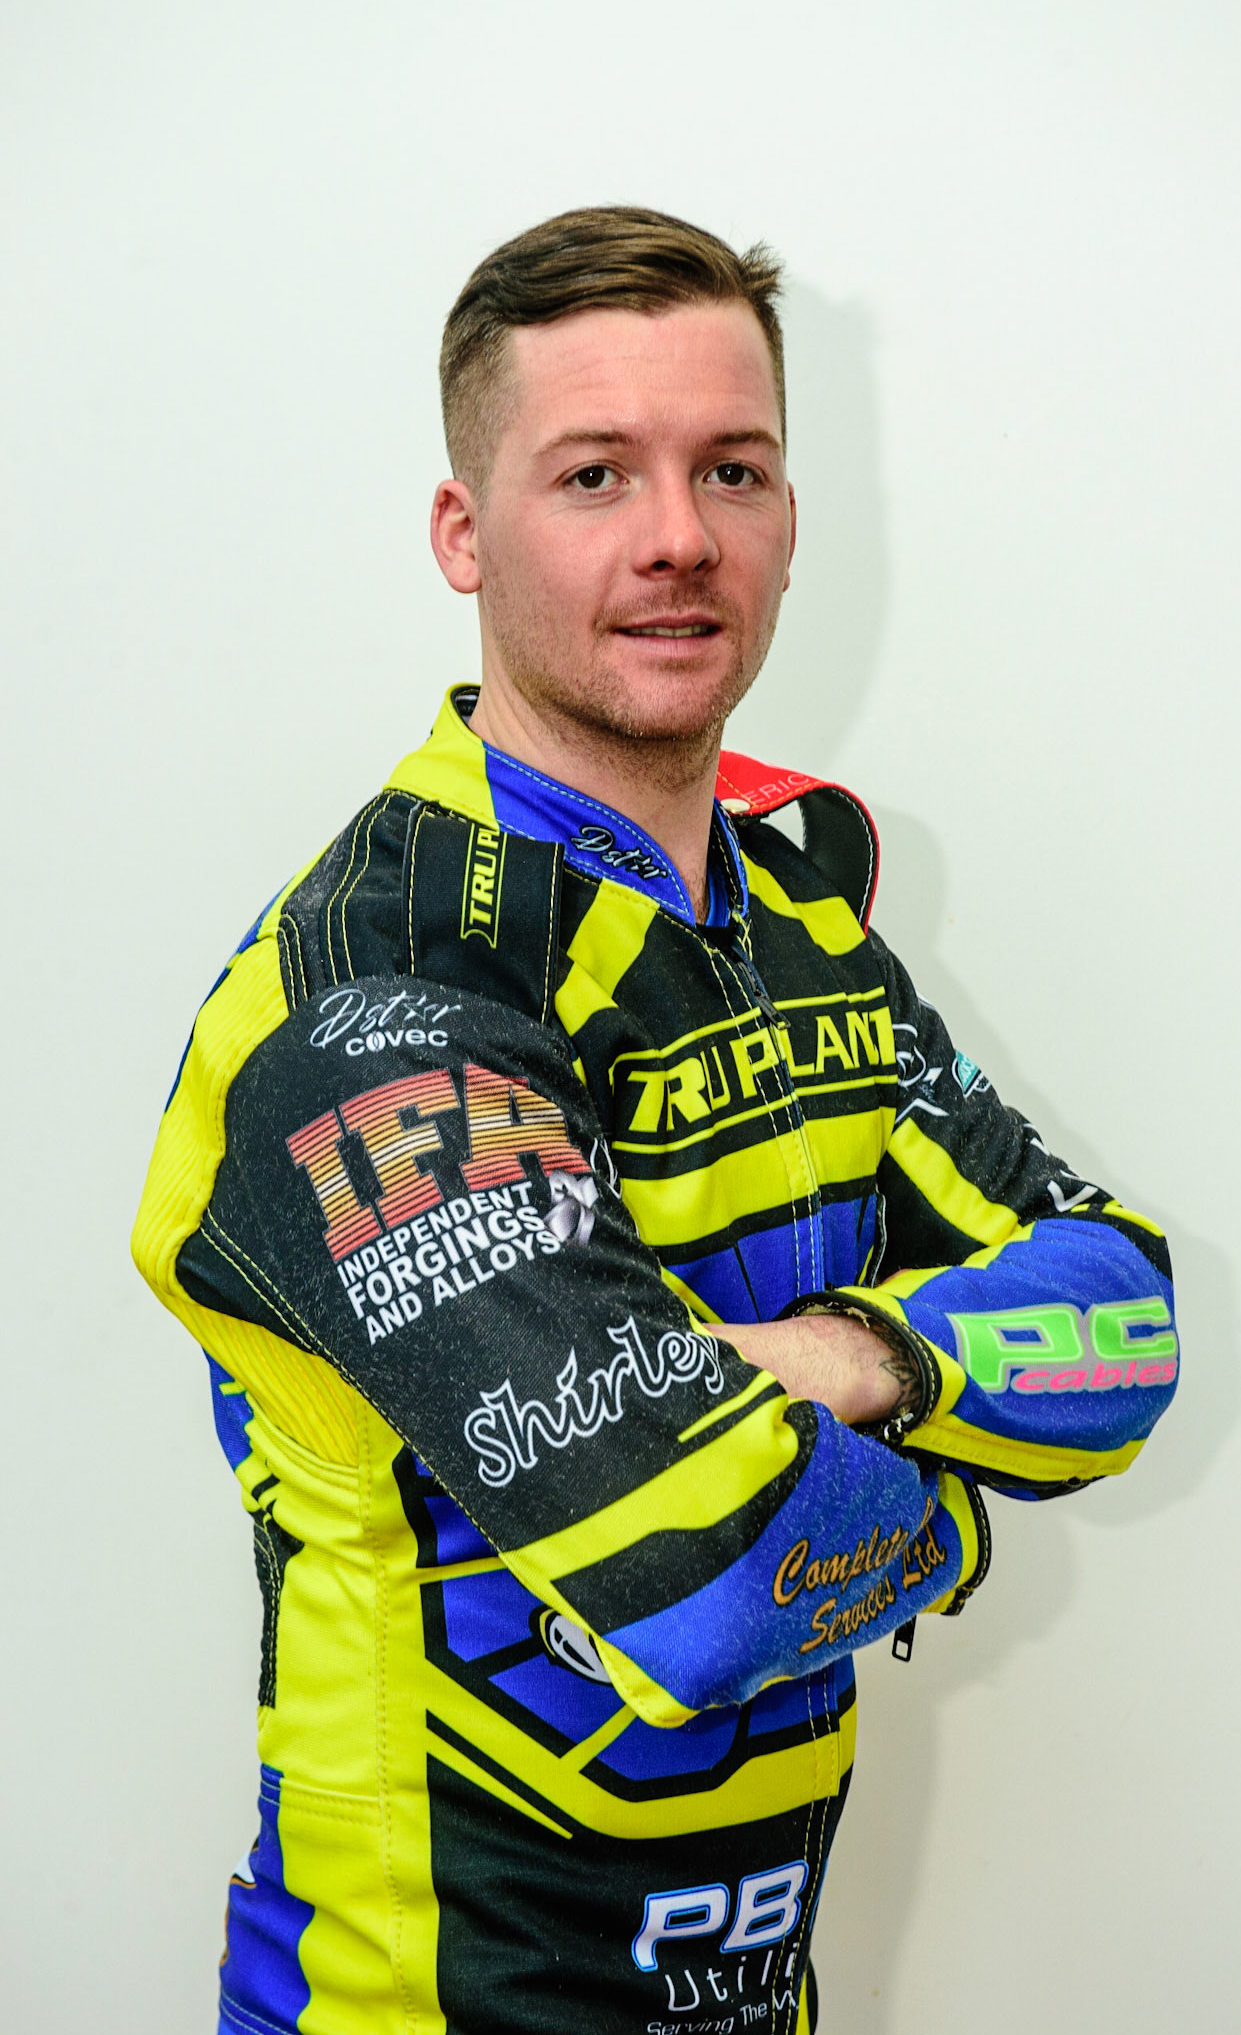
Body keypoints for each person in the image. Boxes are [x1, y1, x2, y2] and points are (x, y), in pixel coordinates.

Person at [132, 206, 1178, 2035]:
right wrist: (950, 1483)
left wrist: (849, 1359)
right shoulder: (364, 999)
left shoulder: (798, 935)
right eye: (594, 473)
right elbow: (718, 1577)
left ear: (788, 519)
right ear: (466, 532)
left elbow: (1131, 1319)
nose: (679, 535)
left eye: (734, 469)